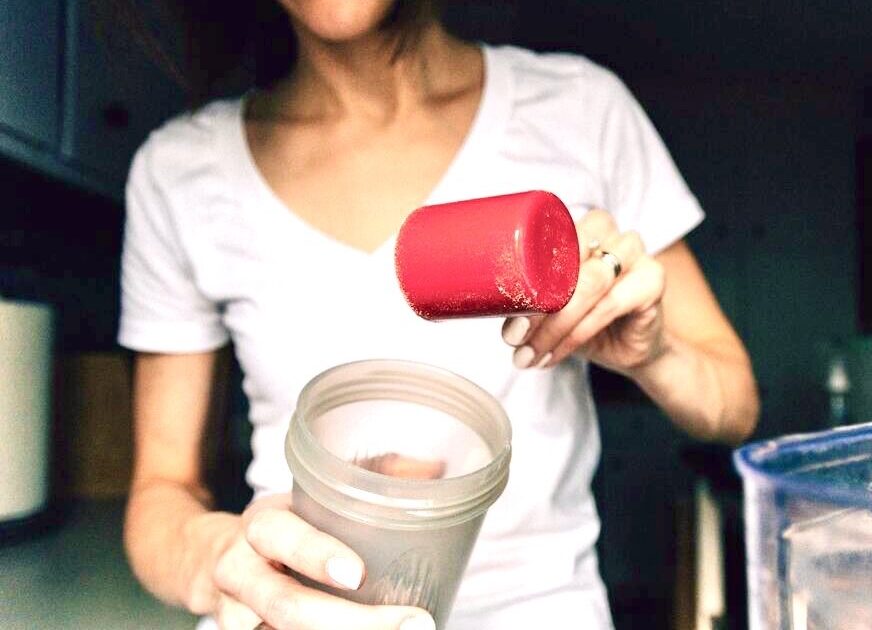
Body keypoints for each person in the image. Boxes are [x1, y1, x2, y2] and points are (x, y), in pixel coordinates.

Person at [117, 1, 760, 628]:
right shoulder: (178, 172)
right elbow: (161, 493)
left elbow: (735, 407)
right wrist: (222, 558)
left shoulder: (583, 111)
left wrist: (655, 355)